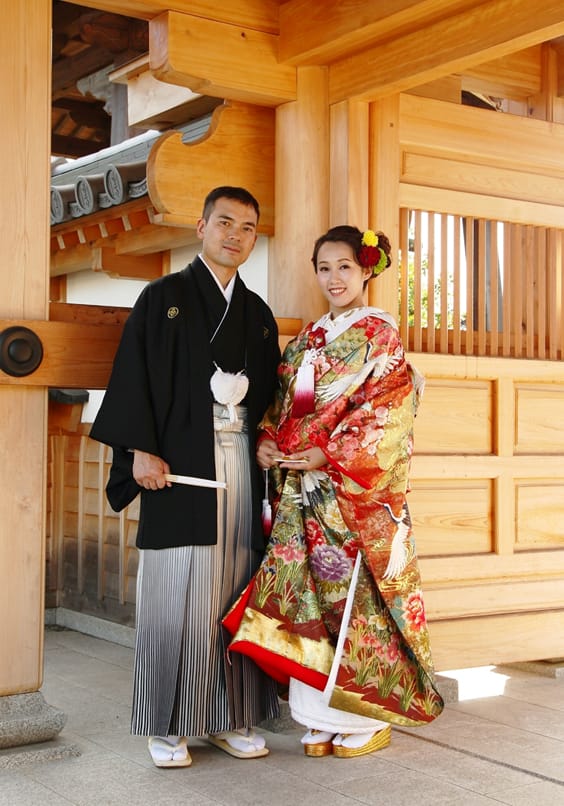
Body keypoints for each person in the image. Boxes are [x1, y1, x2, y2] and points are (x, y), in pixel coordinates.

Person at [224, 225, 444, 758]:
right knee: (308, 597)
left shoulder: (380, 335)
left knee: (355, 599)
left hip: (350, 493)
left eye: (344, 266)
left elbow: (388, 413)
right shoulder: (307, 339)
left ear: (367, 269)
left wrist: (329, 453)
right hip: (302, 492)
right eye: (324, 268)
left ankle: (363, 715)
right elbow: (280, 403)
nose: (334, 278)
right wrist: (268, 441)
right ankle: (317, 715)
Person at [89, 186, 281, 767]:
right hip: (177, 468)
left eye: (247, 228)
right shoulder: (163, 297)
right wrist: (139, 450)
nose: (235, 236)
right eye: (224, 223)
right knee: (175, 591)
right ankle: (167, 724)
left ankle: (230, 716)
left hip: (240, 464)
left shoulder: (257, 313)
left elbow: (271, 398)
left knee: (236, 585)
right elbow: (133, 376)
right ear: (201, 227)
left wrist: (268, 437)